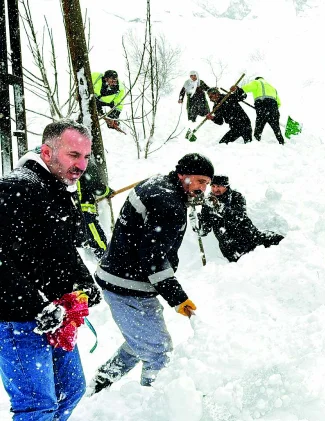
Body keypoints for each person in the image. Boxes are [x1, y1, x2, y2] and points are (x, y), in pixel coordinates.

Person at [0, 119, 102, 420]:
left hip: (54, 314)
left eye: (86, 157)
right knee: (38, 406)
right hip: (17, 320)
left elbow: (61, 248)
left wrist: (85, 284)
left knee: (70, 390)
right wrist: (37, 304)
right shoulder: (16, 188)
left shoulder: (57, 188)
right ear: (47, 152)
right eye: (73, 155)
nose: (81, 165)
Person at [89, 153, 214, 393]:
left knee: (141, 341)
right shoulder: (170, 205)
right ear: (182, 175)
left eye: (206, 184)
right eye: (199, 181)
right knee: (158, 352)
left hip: (120, 275)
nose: (202, 189)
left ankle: (101, 381)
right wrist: (178, 298)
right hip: (128, 285)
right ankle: (154, 406)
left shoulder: (156, 184)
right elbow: (154, 260)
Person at [198, 175, 284, 262]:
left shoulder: (236, 197)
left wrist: (221, 209)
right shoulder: (208, 202)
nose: (215, 189)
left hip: (249, 236)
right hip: (230, 246)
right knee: (244, 266)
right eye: (213, 186)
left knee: (279, 243)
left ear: (226, 186)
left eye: (219, 186)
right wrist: (199, 223)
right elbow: (205, 229)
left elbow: (239, 217)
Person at [76, 159, 113, 260]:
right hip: (84, 210)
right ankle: (106, 262)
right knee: (98, 240)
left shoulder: (65, 161)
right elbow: (96, 186)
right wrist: (107, 191)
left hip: (70, 212)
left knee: (81, 242)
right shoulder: (83, 162)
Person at [241, 77, 284, 144]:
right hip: (274, 107)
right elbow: (279, 103)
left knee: (259, 126)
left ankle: (256, 141)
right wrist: (272, 109)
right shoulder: (272, 87)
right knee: (276, 128)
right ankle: (281, 142)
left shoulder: (257, 82)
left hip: (262, 105)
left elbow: (247, 88)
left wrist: (238, 90)